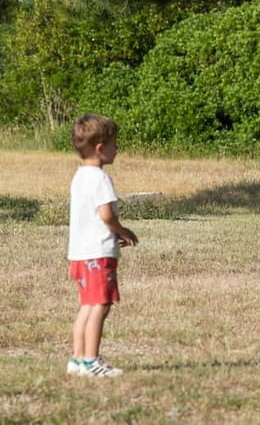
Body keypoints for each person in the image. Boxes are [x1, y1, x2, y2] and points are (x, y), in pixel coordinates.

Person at [66, 114, 138, 377]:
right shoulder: (100, 178)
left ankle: (76, 359)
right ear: (100, 147)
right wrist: (123, 231)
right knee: (100, 305)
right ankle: (91, 360)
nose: (117, 148)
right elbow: (106, 215)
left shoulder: (80, 176)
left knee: (87, 305)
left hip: (79, 254)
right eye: (114, 144)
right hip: (98, 252)